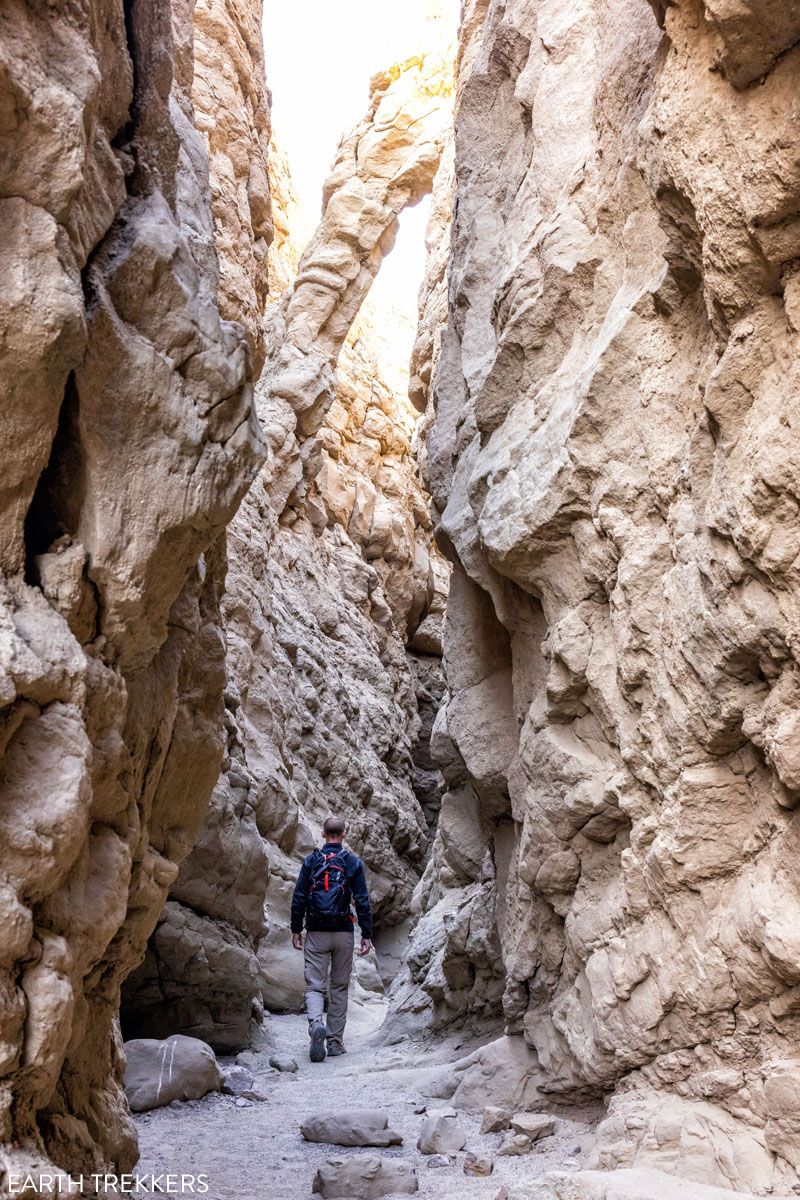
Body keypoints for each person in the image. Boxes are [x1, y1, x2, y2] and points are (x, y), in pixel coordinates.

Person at [290, 816, 373, 1062]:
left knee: (315, 985)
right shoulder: (351, 862)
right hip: (343, 932)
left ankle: (316, 1024)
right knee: (338, 986)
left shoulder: (311, 861)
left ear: (324, 834)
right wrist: (366, 934)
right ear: (344, 834)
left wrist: (297, 929)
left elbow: (299, 898)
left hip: (316, 931)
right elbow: (362, 900)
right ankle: (335, 1041)